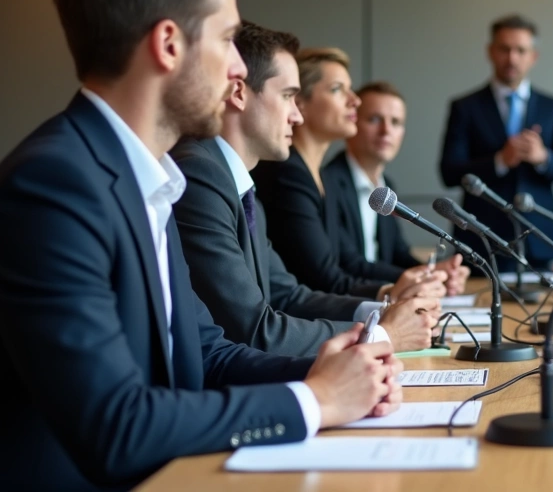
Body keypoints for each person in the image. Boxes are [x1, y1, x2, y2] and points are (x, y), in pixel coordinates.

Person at [0, 0, 399, 490]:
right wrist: (315, 401)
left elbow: (203, 355)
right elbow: (117, 427)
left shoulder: (149, 177)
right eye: (227, 37)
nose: (238, 68)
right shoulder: (53, 187)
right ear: (167, 45)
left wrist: (331, 367)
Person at [173, 22, 438, 356]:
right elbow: (253, 330)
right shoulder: (201, 175)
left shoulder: (238, 183)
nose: (296, 116)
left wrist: (383, 313)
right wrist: (381, 335)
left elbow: (288, 296)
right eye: (287, 97)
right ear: (239, 93)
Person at [252, 47, 449, 299]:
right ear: (299, 102)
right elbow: (323, 279)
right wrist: (392, 291)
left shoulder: (321, 178)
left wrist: (421, 277)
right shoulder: (288, 174)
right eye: (337, 89)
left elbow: (347, 261)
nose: (354, 100)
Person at [439, 14, 553, 270]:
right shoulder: (465, 107)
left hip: (541, 239)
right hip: (482, 237)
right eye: (505, 49)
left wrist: (543, 158)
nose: (512, 58)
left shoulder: (552, 107)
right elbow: (448, 171)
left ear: (533, 56)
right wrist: (499, 161)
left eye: (520, 50)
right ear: (490, 52)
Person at [323, 80, 469, 294]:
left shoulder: (386, 187)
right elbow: (349, 263)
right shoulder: (329, 183)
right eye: (374, 119)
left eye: (396, 122)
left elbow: (398, 253)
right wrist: (423, 275)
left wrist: (437, 273)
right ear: (352, 121)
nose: (386, 130)